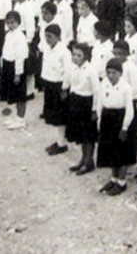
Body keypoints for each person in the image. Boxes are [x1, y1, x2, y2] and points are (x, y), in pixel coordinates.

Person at [96, 58, 135, 196]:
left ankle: (122, 182)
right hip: (107, 118)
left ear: (120, 73)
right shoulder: (104, 83)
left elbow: (130, 110)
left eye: (114, 73)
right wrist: (100, 120)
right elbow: (100, 102)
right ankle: (113, 178)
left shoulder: (126, 87)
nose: (111, 75)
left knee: (121, 153)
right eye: (108, 73)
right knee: (111, 151)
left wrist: (124, 127)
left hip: (120, 119)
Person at [64, 42, 100, 173]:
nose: (75, 57)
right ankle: (83, 158)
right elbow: (69, 82)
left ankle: (89, 161)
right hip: (76, 101)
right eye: (74, 54)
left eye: (79, 55)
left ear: (86, 57)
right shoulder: (72, 68)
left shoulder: (91, 71)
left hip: (87, 103)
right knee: (80, 133)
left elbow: (96, 91)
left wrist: (95, 109)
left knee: (88, 135)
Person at [42, 24, 69, 155]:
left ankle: (62, 143)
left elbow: (68, 71)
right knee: (53, 115)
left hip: (59, 86)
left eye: (50, 37)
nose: (48, 39)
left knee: (60, 116)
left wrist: (64, 88)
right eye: (46, 36)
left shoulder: (64, 51)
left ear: (58, 37)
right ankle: (59, 140)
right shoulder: (47, 49)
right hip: (50, 83)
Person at [1, 11, 30, 130]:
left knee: (20, 95)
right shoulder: (8, 35)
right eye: (8, 23)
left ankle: (21, 119)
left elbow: (20, 56)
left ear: (18, 22)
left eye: (12, 23)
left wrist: (18, 73)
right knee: (11, 93)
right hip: (8, 66)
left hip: (17, 67)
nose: (10, 25)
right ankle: (15, 117)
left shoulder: (20, 37)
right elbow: (5, 51)